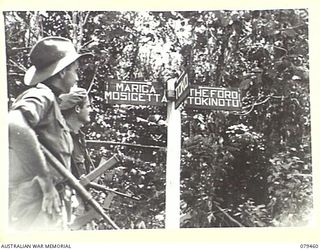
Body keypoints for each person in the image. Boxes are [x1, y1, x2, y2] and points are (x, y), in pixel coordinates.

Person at [8, 36, 91, 231]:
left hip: (45, 200)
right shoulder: (41, 94)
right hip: (35, 201)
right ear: (62, 72)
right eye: (76, 70)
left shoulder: (52, 101)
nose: (78, 77)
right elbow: (14, 125)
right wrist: (45, 181)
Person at [59, 87, 94, 227]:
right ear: (77, 109)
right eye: (88, 106)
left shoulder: (79, 137)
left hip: (82, 204)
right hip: (68, 209)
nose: (91, 110)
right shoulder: (61, 137)